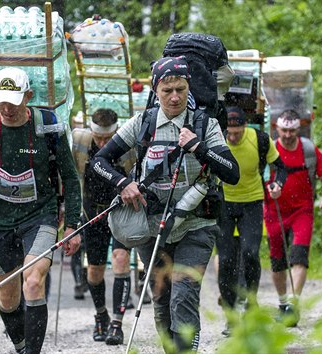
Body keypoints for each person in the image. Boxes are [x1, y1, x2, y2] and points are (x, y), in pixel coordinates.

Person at [90, 56, 239, 352]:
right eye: (167, 90)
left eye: (181, 90)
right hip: (152, 223)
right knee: (161, 294)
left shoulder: (204, 124)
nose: (174, 97)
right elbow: (99, 161)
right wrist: (123, 183)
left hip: (197, 222)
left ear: (189, 88)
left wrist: (198, 146)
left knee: (183, 293)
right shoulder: (143, 122)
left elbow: (231, 172)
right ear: (155, 89)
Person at [0, 67, 81, 354]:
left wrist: (72, 224)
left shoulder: (48, 125)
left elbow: (71, 178)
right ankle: (22, 346)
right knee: (8, 299)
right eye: (1, 100)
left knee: (33, 282)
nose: (7, 108)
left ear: (29, 96)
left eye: (14, 100)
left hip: (40, 215)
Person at [216, 107, 286, 336]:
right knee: (226, 260)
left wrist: (278, 185)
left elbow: (280, 166)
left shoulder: (259, 139)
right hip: (224, 203)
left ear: (245, 127)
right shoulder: (216, 138)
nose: (233, 138)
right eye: (230, 133)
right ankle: (230, 316)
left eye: (237, 133)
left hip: (251, 202)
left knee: (249, 253)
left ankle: (251, 303)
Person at [72, 108, 137, 345]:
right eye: (98, 137)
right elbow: (68, 173)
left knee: (120, 259)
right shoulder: (80, 142)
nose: (102, 143)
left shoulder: (127, 146)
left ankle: (117, 324)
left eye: (108, 138)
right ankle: (101, 315)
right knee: (94, 270)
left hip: (120, 211)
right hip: (92, 212)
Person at [264, 110, 322, 327]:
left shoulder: (308, 150)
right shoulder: (269, 150)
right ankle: (283, 303)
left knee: (299, 256)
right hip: (274, 211)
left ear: (298, 129)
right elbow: (258, 177)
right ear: (277, 128)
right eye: (284, 130)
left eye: (291, 130)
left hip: (302, 211)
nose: (287, 135)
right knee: (277, 263)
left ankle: (294, 304)